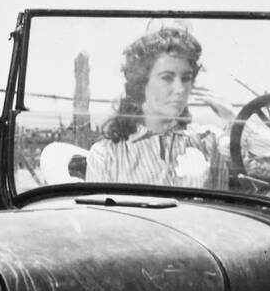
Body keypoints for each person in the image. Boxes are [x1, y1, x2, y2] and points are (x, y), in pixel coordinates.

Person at [85, 26, 230, 189]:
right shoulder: (106, 155)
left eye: (186, 78)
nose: (180, 89)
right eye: (167, 78)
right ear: (141, 82)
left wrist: (234, 118)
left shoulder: (208, 142)